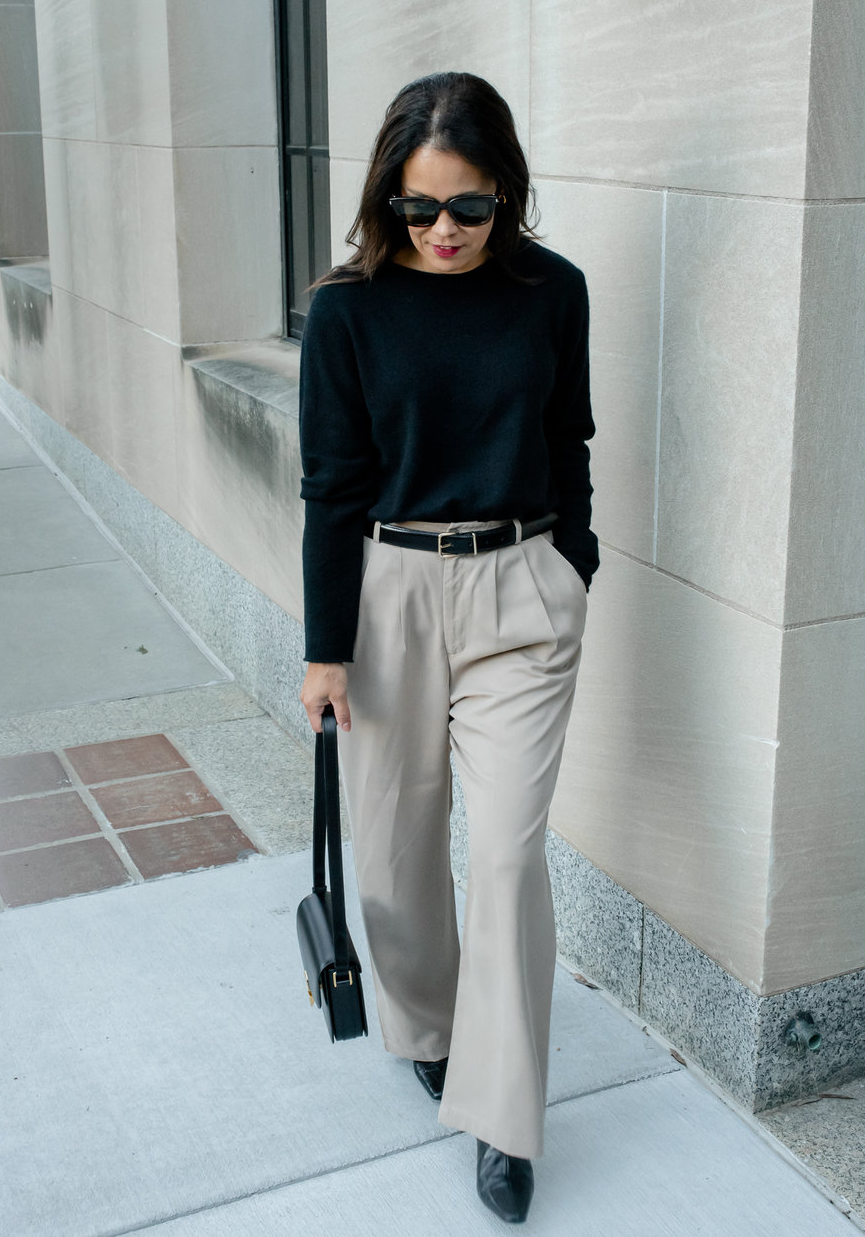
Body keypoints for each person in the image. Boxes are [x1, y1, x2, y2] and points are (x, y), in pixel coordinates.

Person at [298, 71, 598, 1224]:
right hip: (391, 596)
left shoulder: (552, 291)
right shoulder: (347, 311)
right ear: (388, 199)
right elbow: (332, 485)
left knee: (509, 860)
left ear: (506, 193)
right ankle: (424, 1026)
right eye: (420, 208)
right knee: (392, 859)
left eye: (468, 207)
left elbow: (567, 433)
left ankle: (502, 1116)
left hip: (523, 591)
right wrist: (329, 648)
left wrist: (573, 560)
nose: (443, 231)